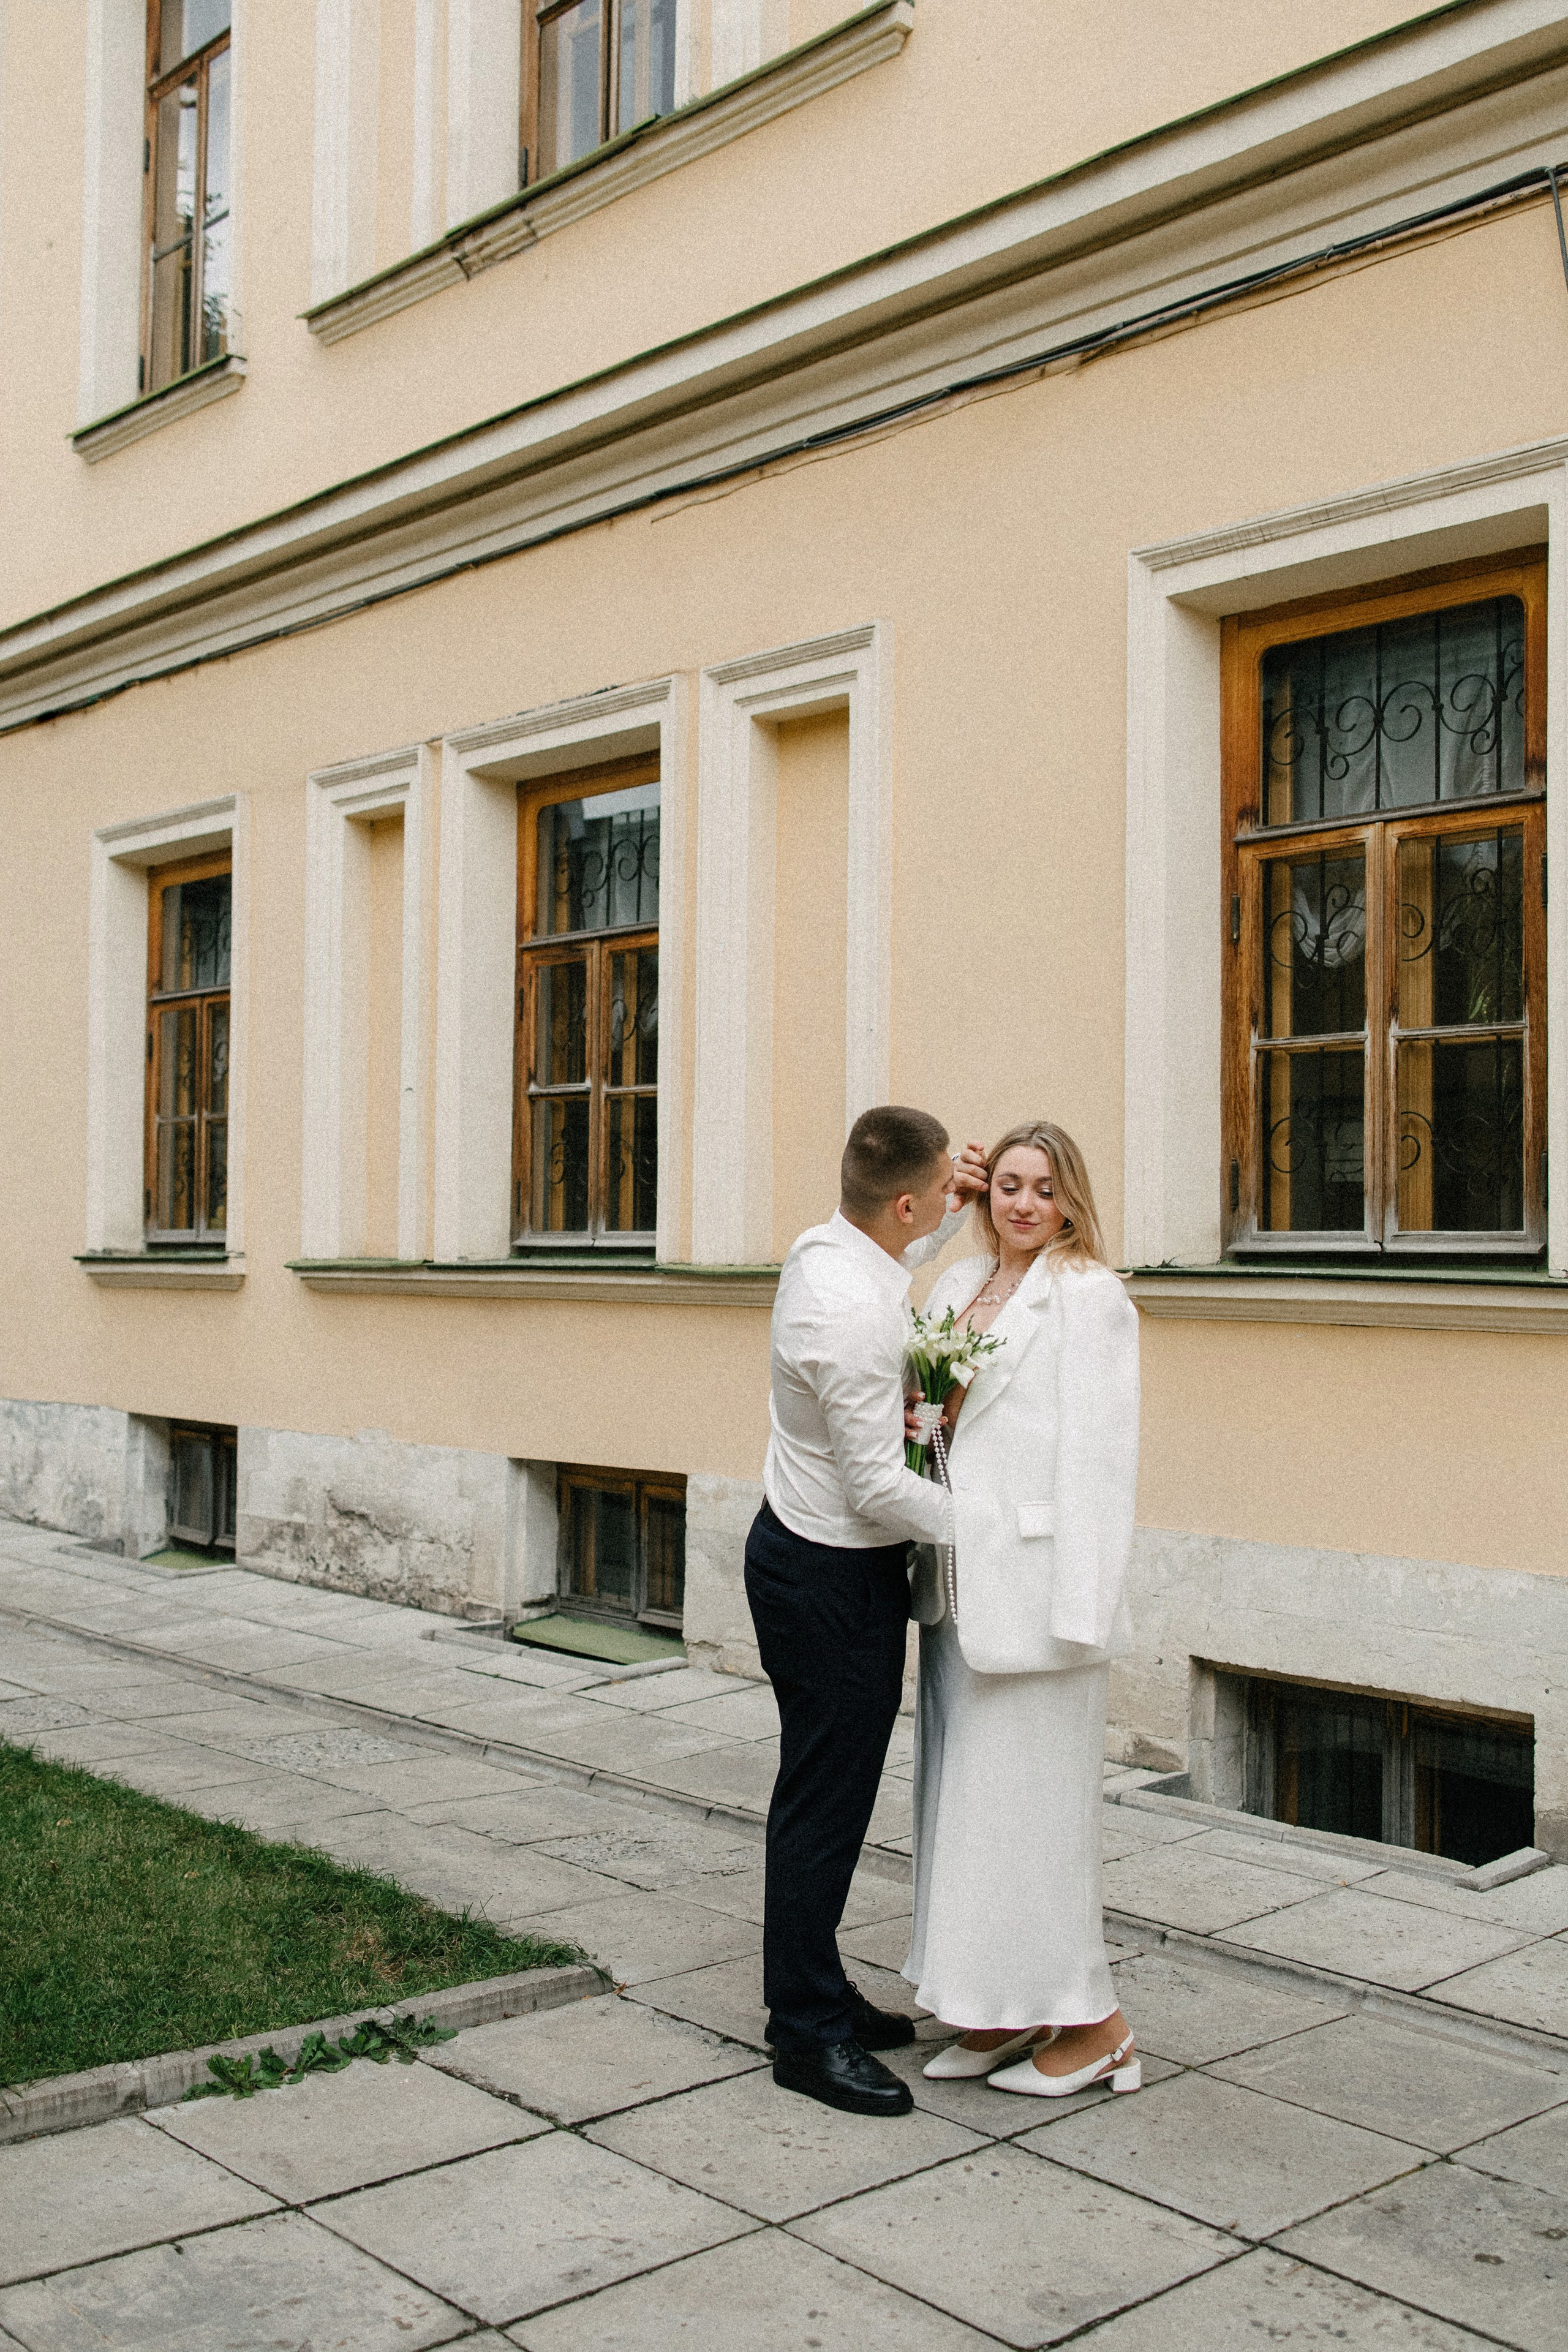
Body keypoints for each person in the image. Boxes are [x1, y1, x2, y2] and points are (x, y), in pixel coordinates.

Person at [746, 1105, 986, 2117]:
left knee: (825, 1795)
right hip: (829, 1580)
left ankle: (818, 1985)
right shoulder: (851, 1320)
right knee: (825, 1806)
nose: (938, 1213)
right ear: (903, 1203)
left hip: (808, 1559)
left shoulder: (829, 1248)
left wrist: (952, 1210)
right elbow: (877, 1486)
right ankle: (806, 2034)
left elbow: (904, 1251)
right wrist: (996, 1527)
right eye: (935, 1196)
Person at [903, 1120, 1142, 2099]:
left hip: (1041, 1599)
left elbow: (1103, 1461)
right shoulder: (956, 1285)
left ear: (1069, 1197)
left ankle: (1098, 2028)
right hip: (958, 1587)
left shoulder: (1089, 1296)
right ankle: (1002, 2008)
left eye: (1045, 1187)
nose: (1025, 1204)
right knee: (970, 1816)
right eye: (1008, 1184)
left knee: (1035, 1825)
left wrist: (1084, 1610)